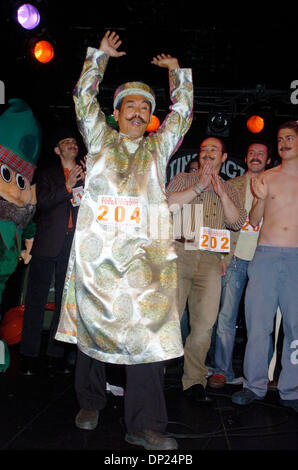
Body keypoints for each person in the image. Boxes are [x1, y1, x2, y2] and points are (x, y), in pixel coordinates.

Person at [55, 31, 193, 450]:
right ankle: (91, 402)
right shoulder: (98, 140)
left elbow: (182, 115)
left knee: (147, 338)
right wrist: (99, 59)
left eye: (144, 107)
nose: (137, 111)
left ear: (152, 116)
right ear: (115, 113)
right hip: (98, 262)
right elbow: (82, 98)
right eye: (129, 105)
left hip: (146, 265)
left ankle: (145, 424)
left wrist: (177, 78)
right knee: (93, 330)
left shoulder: (158, 148)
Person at [166, 136, 247, 403]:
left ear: (224, 158)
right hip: (180, 253)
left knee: (204, 326)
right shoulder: (182, 179)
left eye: (214, 150)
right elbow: (166, 206)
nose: (208, 153)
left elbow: (236, 223)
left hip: (212, 260)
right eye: (203, 149)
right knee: (169, 320)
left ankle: (194, 381)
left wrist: (221, 192)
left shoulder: (231, 188)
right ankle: (155, 373)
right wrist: (199, 185)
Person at [232, 121, 298, 413]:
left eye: (290, 138)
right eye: (281, 138)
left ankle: (291, 390)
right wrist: (258, 197)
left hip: (296, 258)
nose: (284, 143)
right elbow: (254, 221)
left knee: (296, 330)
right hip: (266, 256)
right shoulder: (268, 177)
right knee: (258, 326)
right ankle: (254, 386)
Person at [19, 129, 85, 375]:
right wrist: (67, 187)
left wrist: (88, 181)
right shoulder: (46, 174)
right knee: (36, 299)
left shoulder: (85, 176)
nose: (71, 144)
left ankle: (56, 354)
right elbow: (42, 204)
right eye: (65, 142)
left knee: (64, 303)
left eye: (74, 142)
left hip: (73, 245)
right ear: (57, 150)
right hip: (48, 242)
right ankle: (29, 355)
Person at [208, 140, 271, 388]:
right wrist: (220, 255)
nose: (255, 156)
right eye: (251, 152)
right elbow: (219, 223)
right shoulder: (231, 185)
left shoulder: (275, 185)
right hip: (234, 257)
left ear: (268, 160)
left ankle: (263, 372)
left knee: (261, 320)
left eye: (261, 153)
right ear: (245, 158)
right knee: (225, 316)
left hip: (265, 258)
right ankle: (221, 369)